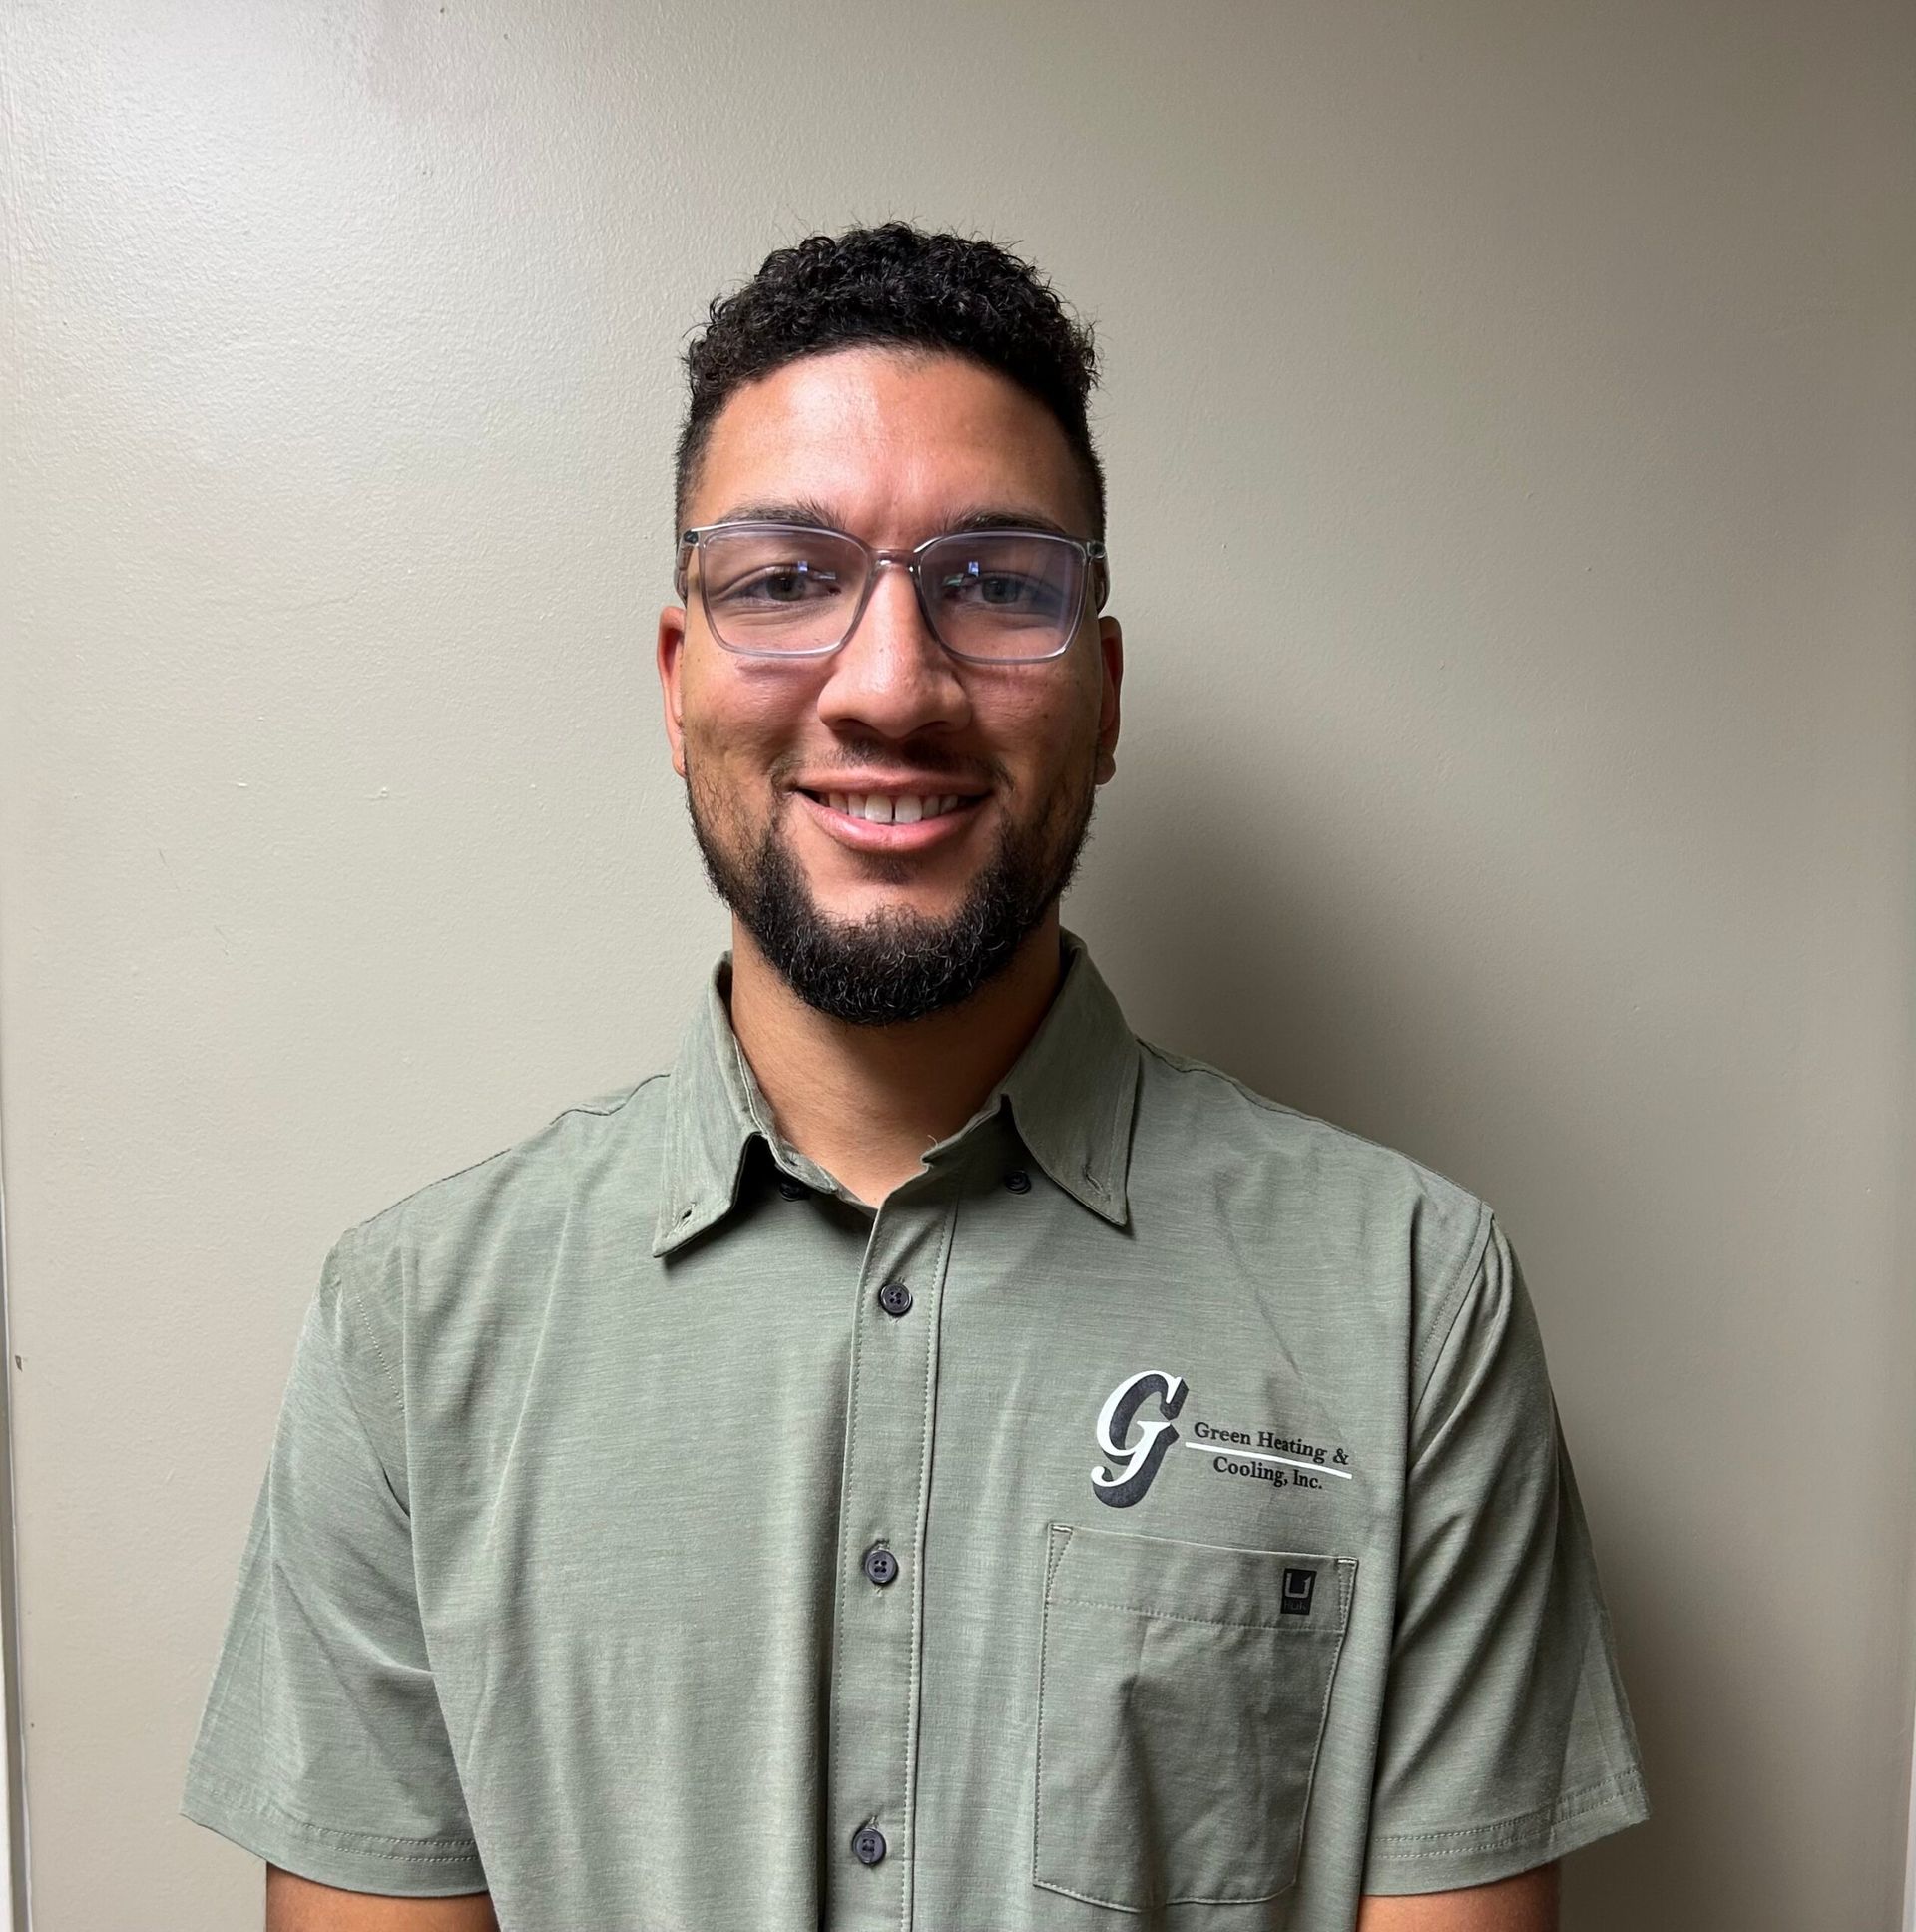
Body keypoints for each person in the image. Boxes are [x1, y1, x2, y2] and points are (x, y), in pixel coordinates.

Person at [181, 222, 1650, 1931]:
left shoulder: (1410, 1300)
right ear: (679, 685)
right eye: (787, 578)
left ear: (1100, 696)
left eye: (995, 582)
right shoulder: (411, 1331)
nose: (890, 684)